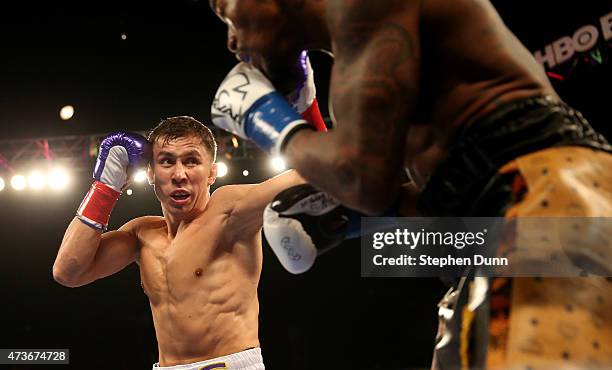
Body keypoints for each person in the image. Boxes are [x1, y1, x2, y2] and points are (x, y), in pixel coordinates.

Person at [208, 0, 612, 369]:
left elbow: (363, 180)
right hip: (500, 220)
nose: (230, 38)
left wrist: (265, 118)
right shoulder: (359, 58)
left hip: (550, 192)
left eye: (225, 11)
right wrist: (356, 222)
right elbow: (448, 193)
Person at [52, 116, 307, 369]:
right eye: (166, 161)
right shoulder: (141, 234)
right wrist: (105, 187)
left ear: (212, 173)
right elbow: (68, 272)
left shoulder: (229, 212)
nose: (179, 174)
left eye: (192, 161)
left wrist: (309, 113)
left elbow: (310, 174)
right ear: (151, 173)